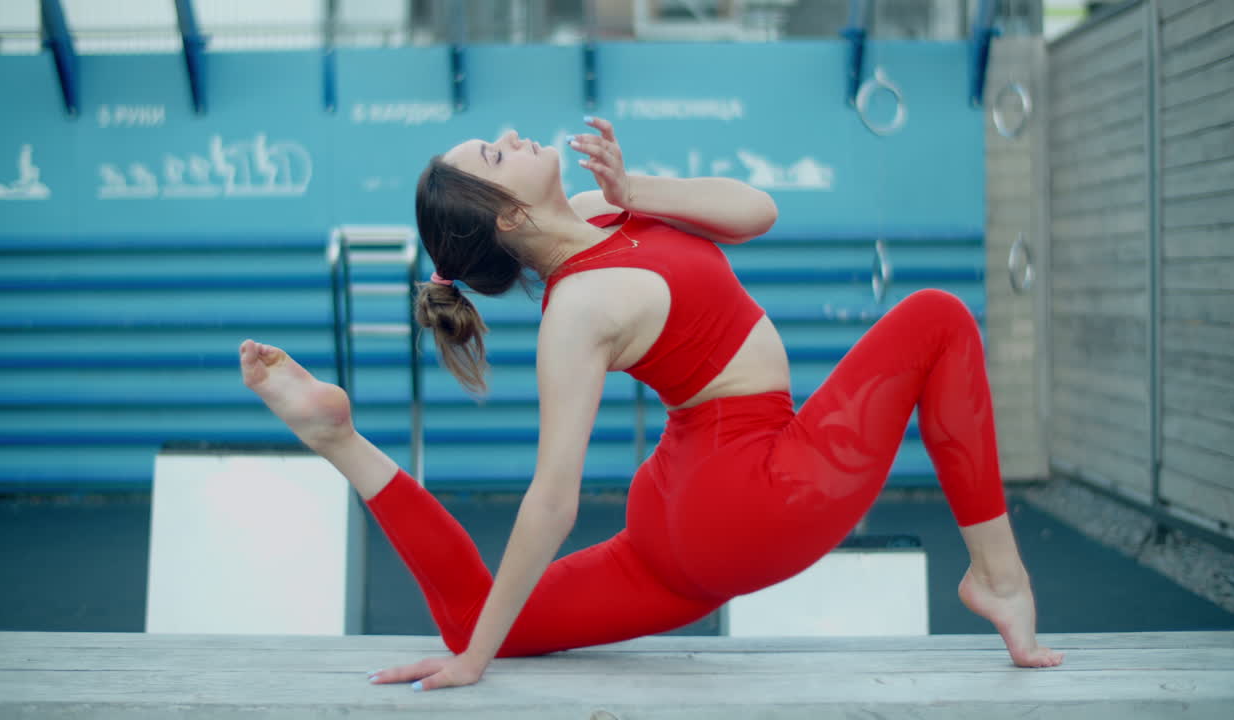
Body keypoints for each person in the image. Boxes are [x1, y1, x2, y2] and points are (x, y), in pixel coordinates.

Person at [240, 117, 1063, 692]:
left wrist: (640, 185)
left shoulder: (606, 208)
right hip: (756, 495)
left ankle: (337, 436)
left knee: (473, 621)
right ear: (511, 213)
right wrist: (476, 668)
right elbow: (552, 501)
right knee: (939, 320)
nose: (517, 137)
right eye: (498, 153)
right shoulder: (577, 312)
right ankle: (999, 575)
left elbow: (757, 212)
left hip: (684, 519)